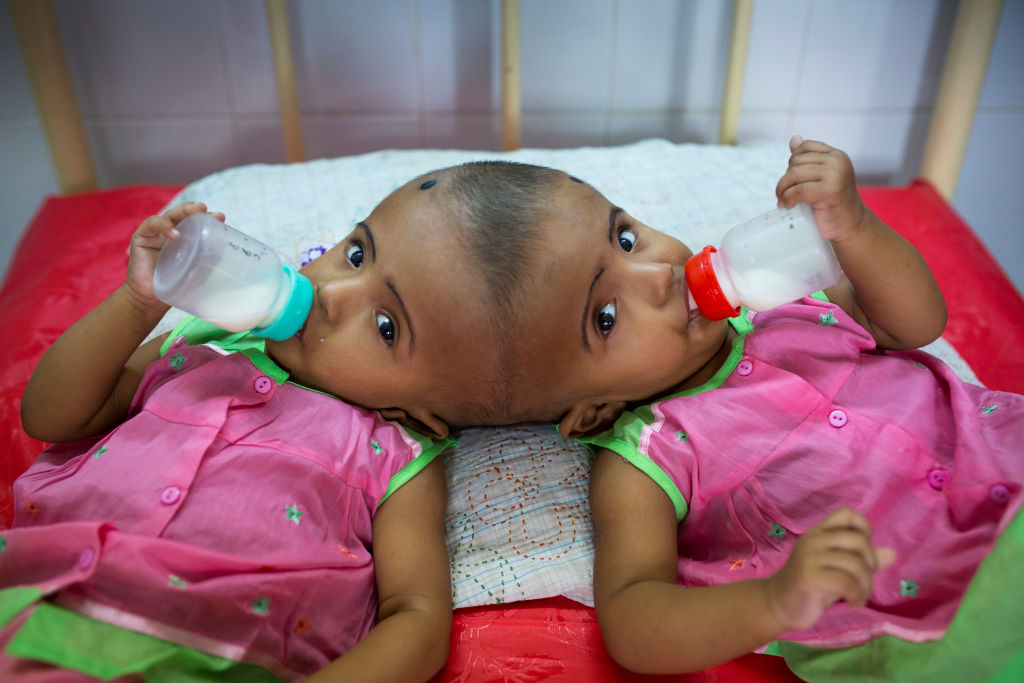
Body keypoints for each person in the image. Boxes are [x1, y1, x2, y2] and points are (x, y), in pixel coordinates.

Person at [3, 161, 562, 681]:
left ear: (422, 412)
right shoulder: (203, 342)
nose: (333, 292)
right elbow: (50, 416)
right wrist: (137, 303)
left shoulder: (394, 449)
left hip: (203, 654)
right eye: (358, 255)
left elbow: (415, 618)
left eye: (386, 326)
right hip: (30, 600)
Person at [497, 137, 1024, 679]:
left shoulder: (779, 298)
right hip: (939, 610)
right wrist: (775, 600)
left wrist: (855, 227)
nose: (657, 274)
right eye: (605, 317)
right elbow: (634, 620)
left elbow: (917, 324)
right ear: (594, 411)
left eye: (625, 238)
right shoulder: (647, 453)